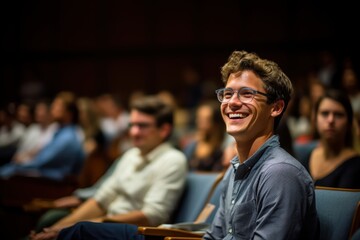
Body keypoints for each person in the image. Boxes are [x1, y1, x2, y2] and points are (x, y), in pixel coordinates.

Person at [56, 50, 320, 240]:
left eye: (247, 94)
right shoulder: (236, 169)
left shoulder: (280, 173)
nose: (232, 102)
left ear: (276, 108)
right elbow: (213, 237)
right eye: (227, 93)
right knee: (82, 231)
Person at [29, 95, 188, 240]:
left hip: (141, 233)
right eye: (132, 125)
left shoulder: (173, 159)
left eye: (142, 126)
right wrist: (57, 228)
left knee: (80, 229)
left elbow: (152, 215)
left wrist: (91, 224)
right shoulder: (131, 155)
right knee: (54, 224)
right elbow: (101, 200)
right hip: (110, 224)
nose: (134, 132)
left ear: (164, 130)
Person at [0, 91, 85, 180]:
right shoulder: (62, 132)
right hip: (45, 177)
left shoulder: (68, 137)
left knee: (8, 171)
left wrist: (17, 166)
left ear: (69, 112)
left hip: (51, 184)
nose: (53, 108)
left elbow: (41, 162)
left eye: (57, 106)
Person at [302, 89, 360, 188]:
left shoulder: (356, 165)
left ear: (349, 123)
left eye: (338, 115)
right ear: (315, 119)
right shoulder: (308, 157)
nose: (331, 120)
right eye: (324, 113)